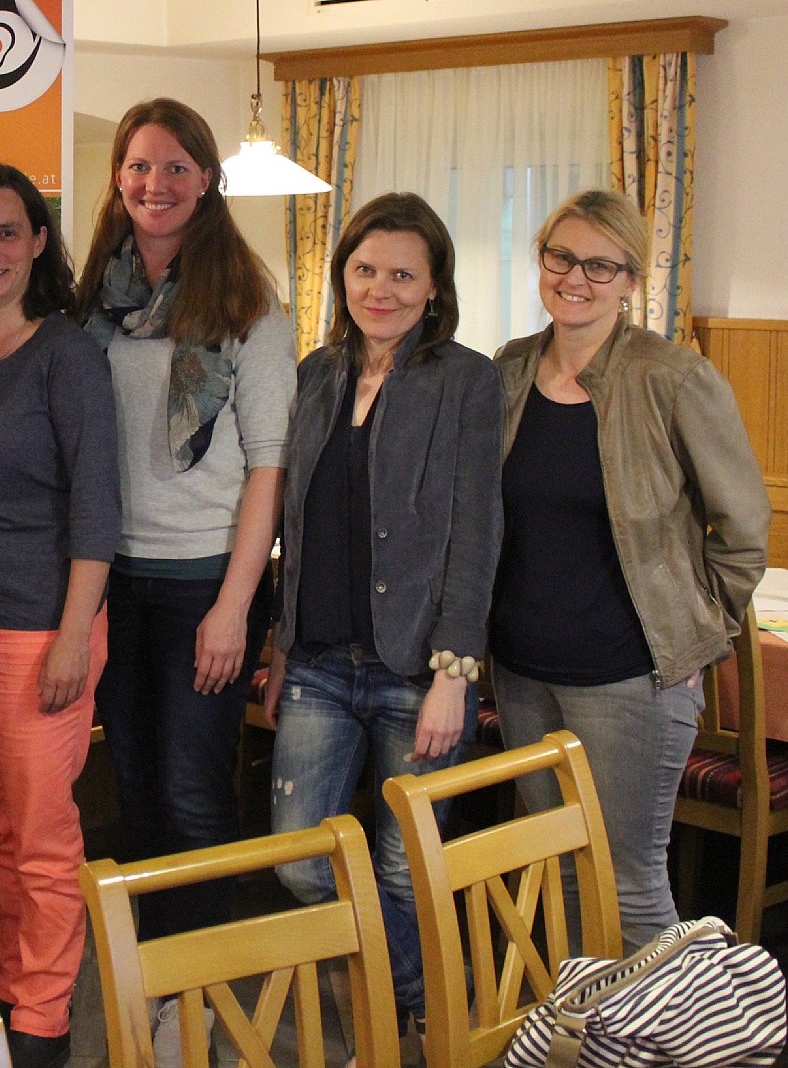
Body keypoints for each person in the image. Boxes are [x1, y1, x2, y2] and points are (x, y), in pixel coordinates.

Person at [490, 188, 770, 948]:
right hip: (522, 672)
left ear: (631, 280)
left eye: (600, 265)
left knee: (630, 881)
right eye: (561, 257)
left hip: (630, 677)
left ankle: (678, 1020)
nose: (575, 278)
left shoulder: (673, 378)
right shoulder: (509, 370)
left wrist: (698, 635)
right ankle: (585, 1018)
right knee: (557, 870)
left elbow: (743, 529)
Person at [260, 192, 501, 1043]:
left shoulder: (468, 379)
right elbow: (294, 525)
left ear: (434, 286)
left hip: (418, 669)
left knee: (405, 870)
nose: (381, 289)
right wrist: (280, 644)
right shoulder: (315, 373)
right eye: (365, 270)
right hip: (319, 664)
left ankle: (410, 1030)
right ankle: (438, 997)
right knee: (298, 859)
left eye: (403, 274)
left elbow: (477, 533)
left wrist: (454, 674)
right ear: (342, 276)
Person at [73, 98, 292, 952]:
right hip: (112, 578)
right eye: (138, 165)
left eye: (174, 166)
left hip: (207, 580)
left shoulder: (248, 300)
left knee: (193, 791)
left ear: (206, 178)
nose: (154, 183)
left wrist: (236, 608)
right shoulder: (94, 296)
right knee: (132, 787)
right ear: (118, 177)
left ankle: (194, 986)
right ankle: (150, 974)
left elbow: (269, 463)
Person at [0, 163, 118, 1068]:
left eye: (8, 231)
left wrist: (76, 634)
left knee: (42, 834)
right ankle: (15, 982)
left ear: (39, 241)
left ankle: (43, 1017)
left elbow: (97, 504)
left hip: (44, 629)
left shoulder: (67, 353)